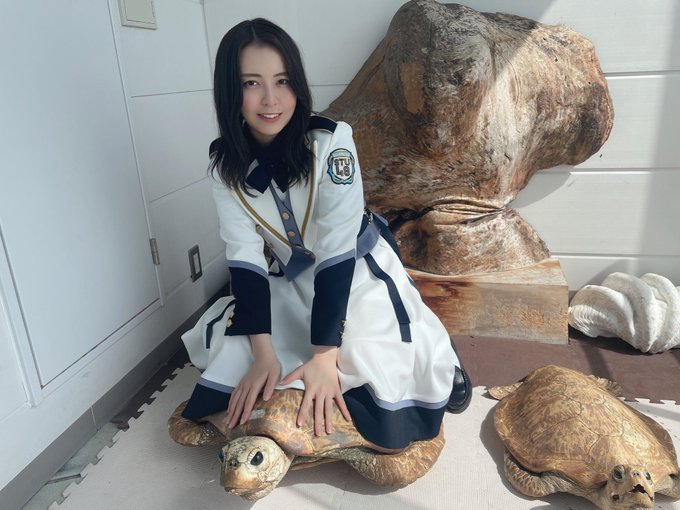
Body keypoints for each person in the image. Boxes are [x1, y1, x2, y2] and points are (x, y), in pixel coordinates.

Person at [180, 18, 471, 450]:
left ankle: (440, 351)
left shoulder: (331, 143)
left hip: (355, 268)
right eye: (251, 83)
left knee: (365, 355)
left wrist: (323, 355)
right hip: (291, 276)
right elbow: (244, 257)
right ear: (229, 91)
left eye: (282, 81)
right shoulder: (224, 166)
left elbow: (336, 250)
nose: (271, 99)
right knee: (244, 352)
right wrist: (263, 353)